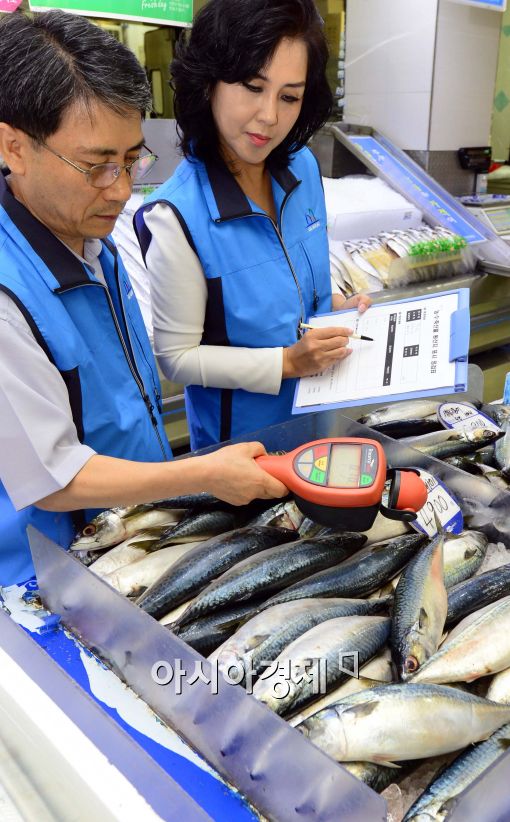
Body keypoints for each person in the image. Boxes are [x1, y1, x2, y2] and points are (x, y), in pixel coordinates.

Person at [0, 11, 287, 588]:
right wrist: (199, 475)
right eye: (97, 165)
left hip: (127, 544)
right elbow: (56, 478)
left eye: (132, 160)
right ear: (14, 146)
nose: (123, 189)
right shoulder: (8, 291)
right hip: (48, 580)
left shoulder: (87, 235)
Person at [136, 0, 371, 451]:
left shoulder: (301, 168)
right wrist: (286, 363)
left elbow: (292, 276)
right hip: (245, 451)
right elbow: (177, 358)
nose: (269, 116)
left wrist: (335, 304)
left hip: (322, 420)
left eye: (289, 97)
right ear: (209, 83)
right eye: (252, 87)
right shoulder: (177, 216)